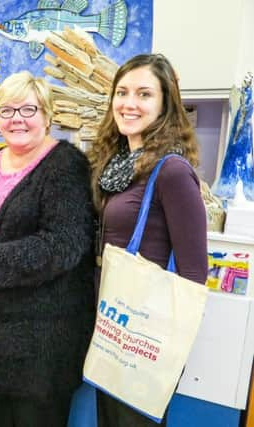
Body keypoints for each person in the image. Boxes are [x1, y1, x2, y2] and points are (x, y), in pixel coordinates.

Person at [0, 71, 96, 427]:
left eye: (28, 109)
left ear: (48, 115)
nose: (16, 119)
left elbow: (63, 244)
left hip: (43, 337)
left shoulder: (65, 165)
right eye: (6, 110)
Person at [87, 53, 208, 426]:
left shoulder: (171, 171)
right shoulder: (115, 162)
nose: (129, 103)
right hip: (111, 326)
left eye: (144, 94)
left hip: (144, 336)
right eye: (121, 92)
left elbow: (193, 272)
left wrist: (166, 343)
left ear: (164, 105)